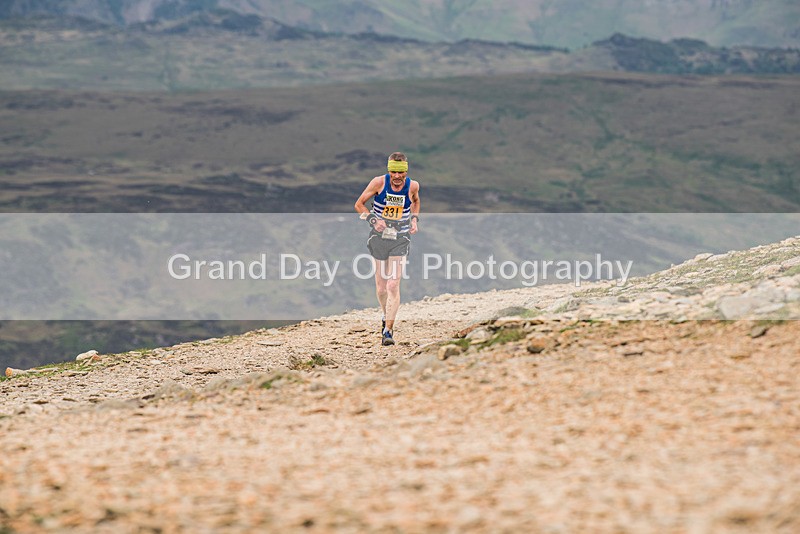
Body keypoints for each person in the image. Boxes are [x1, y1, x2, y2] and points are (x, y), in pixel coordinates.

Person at [354, 152, 420, 346]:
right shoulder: (378, 183)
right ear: (388, 170)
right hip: (379, 238)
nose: (397, 177)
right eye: (393, 172)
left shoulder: (413, 186)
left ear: (406, 171)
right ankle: (385, 314)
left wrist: (414, 219)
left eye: (401, 173)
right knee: (381, 287)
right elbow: (359, 205)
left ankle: (388, 331)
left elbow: (416, 201)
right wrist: (373, 220)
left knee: (393, 284)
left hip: (401, 237)